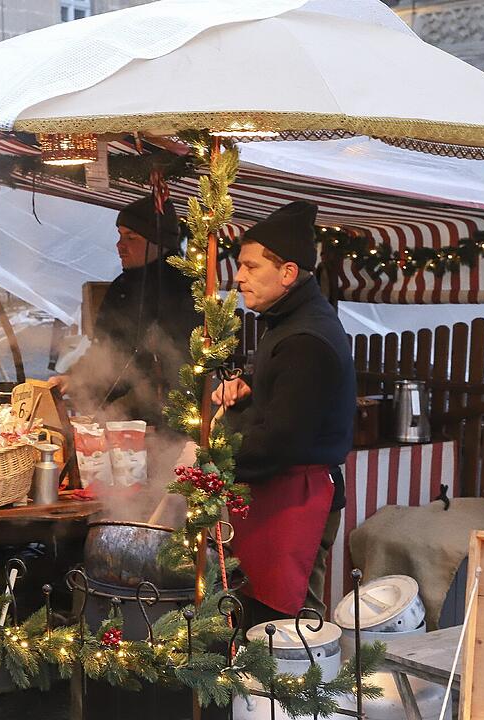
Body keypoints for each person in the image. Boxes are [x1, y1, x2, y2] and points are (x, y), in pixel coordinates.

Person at [212, 201, 356, 625]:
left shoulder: (305, 339)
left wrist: (212, 463)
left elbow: (281, 439)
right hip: (281, 495)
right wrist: (250, 389)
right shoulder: (290, 322)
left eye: (251, 267)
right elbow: (289, 396)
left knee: (292, 625)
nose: (239, 277)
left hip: (299, 498)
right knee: (264, 616)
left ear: (288, 273)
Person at [51, 196, 200, 425]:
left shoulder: (183, 290)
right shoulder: (121, 286)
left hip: (166, 423)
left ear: (159, 242)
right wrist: (74, 379)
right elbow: (105, 350)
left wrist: (123, 407)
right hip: (114, 417)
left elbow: (173, 368)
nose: (120, 246)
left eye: (131, 237)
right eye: (120, 236)